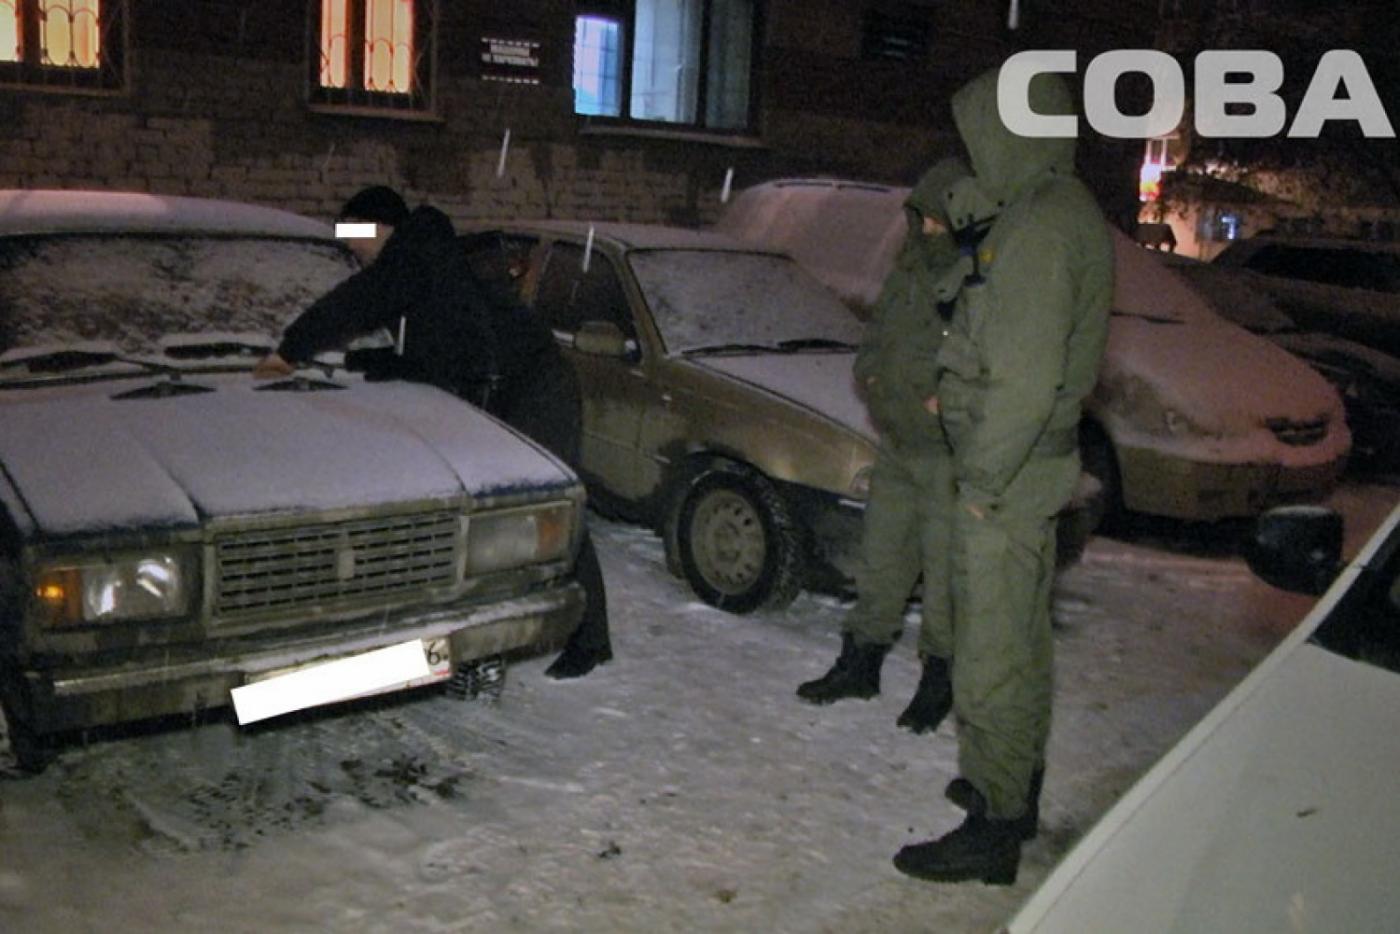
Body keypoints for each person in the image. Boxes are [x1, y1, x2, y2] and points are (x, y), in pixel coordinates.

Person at [891, 66, 1113, 885]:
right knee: (1019, 643)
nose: (973, 149)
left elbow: (1020, 381)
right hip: (1027, 469)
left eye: (980, 133)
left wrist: (981, 485)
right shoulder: (1048, 208)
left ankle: (993, 825)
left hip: (1007, 479)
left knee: (990, 657)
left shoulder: (1042, 229)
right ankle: (1012, 786)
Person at [255, 186, 613, 680]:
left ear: (382, 225)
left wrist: (290, 350)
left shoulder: (412, 255)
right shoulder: (424, 261)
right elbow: (443, 349)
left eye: (355, 232)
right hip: (503, 383)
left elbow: (358, 301)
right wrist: (377, 361)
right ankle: (482, 630)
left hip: (535, 386)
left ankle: (590, 639)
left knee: (548, 505)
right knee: (499, 512)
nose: (352, 246)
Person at [794, 157, 971, 738]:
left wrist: (949, 400)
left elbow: (990, 359)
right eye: (923, 217)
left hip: (947, 456)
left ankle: (939, 679)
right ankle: (861, 663)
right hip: (897, 443)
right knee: (881, 563)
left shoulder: (977, 277)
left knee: (944, 578)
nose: (929, 228)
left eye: (939, 218)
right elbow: (878, 336)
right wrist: (869, 374)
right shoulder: (908, 269)